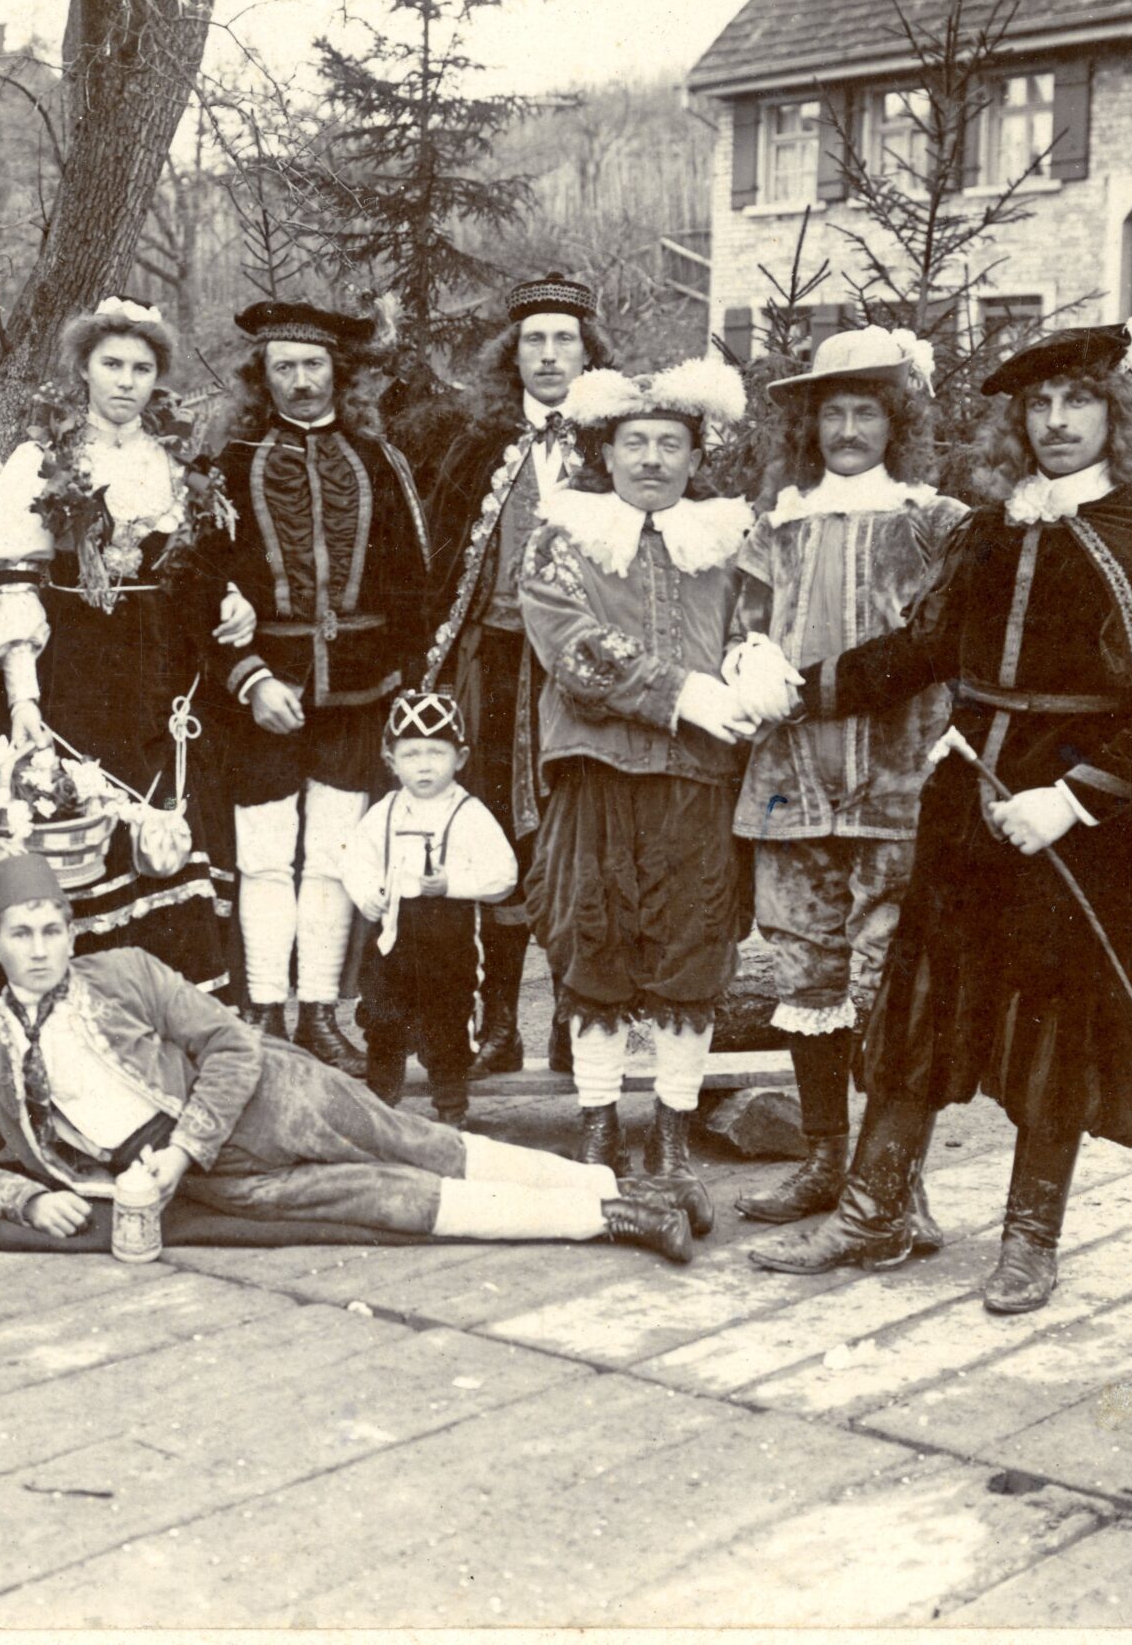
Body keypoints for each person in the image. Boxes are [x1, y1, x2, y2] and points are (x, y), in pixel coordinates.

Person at [752, 313, 1132, 1314]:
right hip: (963, 797)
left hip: (1067, 821)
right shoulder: (991, 529)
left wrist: (1070, 799)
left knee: (1052, 1024)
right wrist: (798, 691)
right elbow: (922, 650)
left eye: (1080, 402)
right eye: (1040, 404)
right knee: (918, 1001)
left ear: (1116, 418)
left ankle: (1031, 1237)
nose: (1057, 421)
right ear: (1016, 422)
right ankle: (874, 1212)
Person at [0, 854, 709, 1261]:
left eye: (52, 930)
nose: (40, 950)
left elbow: (230, 1043)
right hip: (219, 1181)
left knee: (421, 1144)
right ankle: (607, 1220)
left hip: (273, 1098)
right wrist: (27, 1202)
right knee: (388, 1201)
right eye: (20, 935)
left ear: (71, 932)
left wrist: (184, 1147)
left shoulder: (124, 972)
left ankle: (625, 1190)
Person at [517, 359, 799, 1173]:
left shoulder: (728, 541)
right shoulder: (562, 536)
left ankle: (672, 1137)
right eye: (634, 442)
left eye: (669, 444)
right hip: (596, 769)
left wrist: (749, 671)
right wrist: (683, 693)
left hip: (698, 778)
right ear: (606, 453)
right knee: (592, 941)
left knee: (694, 945)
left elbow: (757, 624)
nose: (651, 459)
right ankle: (598, 1129)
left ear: (695, 455)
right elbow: (570, 646)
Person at [728, 326, 968, 1247]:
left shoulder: (933, 522)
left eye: (867, 412)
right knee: (807, 972)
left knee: (893, 982)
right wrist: (747, 659)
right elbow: (744, 623)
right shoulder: (776, 527)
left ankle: (895, 1180)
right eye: (833, 414)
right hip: (790, 784)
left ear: (896, 422)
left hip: (898, 784)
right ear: (811, 428)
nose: (850, 431)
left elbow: (949, 640)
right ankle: (826, 1159)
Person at [0, 296, 239, 1026]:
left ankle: (161, 1018)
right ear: (83, 368)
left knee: (164, 830)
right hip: (69, 667)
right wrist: (23, 699)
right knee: (67, 825)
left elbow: (202, 567)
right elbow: (15, 585)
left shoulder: (176, 459)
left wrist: (233, 599)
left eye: (142, 368)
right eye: (112, 364)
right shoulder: (41, 460)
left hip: (162, 673)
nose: (126, 381)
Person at [196, 299, 437, 1073]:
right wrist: (249, 678)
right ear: (260, 377)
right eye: (284, 368)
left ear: (340, 372)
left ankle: (321, 1014)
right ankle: (266, 1011)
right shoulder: (229, 464)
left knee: (335, 857)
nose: (301, 382)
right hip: (261, 693)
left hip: (361, 693)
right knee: (264, 856)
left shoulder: (378, 460)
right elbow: (197, 583)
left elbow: (414, 583)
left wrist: (402, 683)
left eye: (313, 365)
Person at [415, 273, 607, 1080]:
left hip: (586, 673)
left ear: (589, 352)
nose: (550, 355)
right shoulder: (477, 446)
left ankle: (575, 1018)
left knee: (577, 841)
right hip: (492, 667)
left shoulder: (614, 442)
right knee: (495, 835)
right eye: (535, 340)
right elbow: (438, 559)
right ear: (514, 353)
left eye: (565, 339)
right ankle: (498, 1024)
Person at [341, 690, 519, 1125]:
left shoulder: (470, 813)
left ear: (460, 758)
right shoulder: (385, 811)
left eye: (436, 753)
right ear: (391, 760)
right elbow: (354, 859)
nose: (424, 765)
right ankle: (382, 1110)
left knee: (447, 1025)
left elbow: (504, 876)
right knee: (382, 1020)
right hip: (391, 941)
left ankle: (451, 1111)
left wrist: (453, 884)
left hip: (448, 944)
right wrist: (367, 893)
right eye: (411, 754)